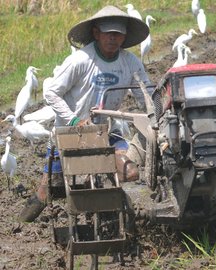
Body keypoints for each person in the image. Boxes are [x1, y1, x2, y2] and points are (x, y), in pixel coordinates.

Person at [19, 5, 152, 222]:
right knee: (47, 190)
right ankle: (20, 226)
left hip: (106, 132)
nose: (113, 39)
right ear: (96, 34)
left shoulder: (130, 63)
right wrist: (74, 119)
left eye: (117, 35)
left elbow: (146, 95)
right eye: (108, 34)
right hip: (69, 134)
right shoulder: (80, 60)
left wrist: (157, 112)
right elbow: (51, 92)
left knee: (130, 172)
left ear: (124, 37)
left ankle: (107, 212)